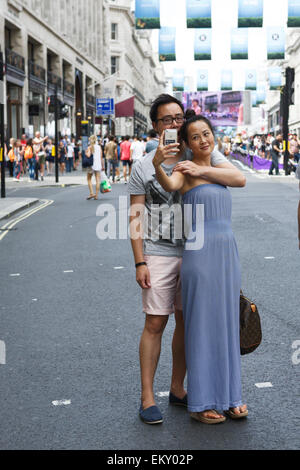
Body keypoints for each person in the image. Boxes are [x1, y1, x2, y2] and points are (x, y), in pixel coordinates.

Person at [128, 93, 246, 425]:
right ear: (155, 126)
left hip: (199, 251)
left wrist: (200, 165)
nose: (175, 124)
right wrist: (140, 262)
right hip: (160, 252)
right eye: (167, 120)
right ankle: (147, 397)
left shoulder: (200, 152)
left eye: (179, 118)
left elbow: (236, 178)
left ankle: (179, 389)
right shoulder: (142, 166)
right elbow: (136, 216)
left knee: (190, 324)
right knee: (155, 323)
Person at [85, 135, 104, 200]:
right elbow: (101, 157)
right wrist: (103, 165)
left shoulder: (90, 147)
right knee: (97, 180)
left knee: (89, 179)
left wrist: (85, 152)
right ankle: (96, 195)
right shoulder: (99, 147)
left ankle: (91, 193)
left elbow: (88, 155)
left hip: (91, 165)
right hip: (98, 165)